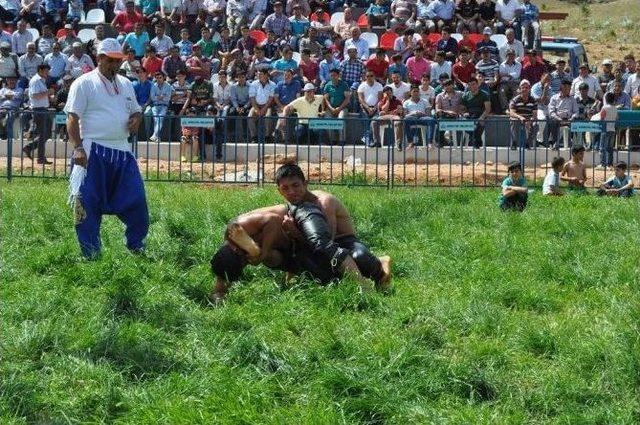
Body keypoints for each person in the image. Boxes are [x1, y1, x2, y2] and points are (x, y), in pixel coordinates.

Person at [64, 38, 146, 258]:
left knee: (136, 200)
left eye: (118, 61)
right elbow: (72, 118)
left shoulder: (126, 83)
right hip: (92, 151)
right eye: (110, 61)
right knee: (87, 203)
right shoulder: (83, 83)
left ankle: (136, 246)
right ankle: (90, 253)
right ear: (99, 58)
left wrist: (137, 118)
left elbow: (136, 110)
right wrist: (78, 148)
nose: (115, 65)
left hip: (122, 151)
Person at [275, 163, 392, 292]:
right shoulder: (292, 206)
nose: (291, 192)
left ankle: (380, 267)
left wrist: (295, 232)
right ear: (279, 191)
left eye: (295, 185)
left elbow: (327, 241)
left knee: (360, 257)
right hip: (318, 246)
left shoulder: (324, 202)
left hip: (344, 242)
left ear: (305, 183)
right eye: (285, 188)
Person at [209, 204, 296, 303]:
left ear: (238, 252)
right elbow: (226, 273)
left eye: (243, 263)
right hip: (284, 245)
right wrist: (218, 295)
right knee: (271, 258)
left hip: (293, 217)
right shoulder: (228, 255)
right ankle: (290, 273)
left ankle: (292, 274)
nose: (246, 263)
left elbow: (273, 219)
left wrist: (263, 253)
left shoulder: (238, 226)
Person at [22, 64, 52, 165]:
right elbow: (35, 96)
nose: (48, 73)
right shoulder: (36, 80)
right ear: (40, 70)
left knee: (47, 134)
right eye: (46, 71)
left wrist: (48, 96)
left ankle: (29, 147)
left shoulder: (41, 80)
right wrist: (48, 92)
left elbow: (39, 95)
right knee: (44, 134)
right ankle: (40, 158)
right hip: (39, 110)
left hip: (43, 109)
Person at [460, 76, 491, 148]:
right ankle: (477, 140)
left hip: (480, 114)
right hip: (469, 116)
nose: (471, 86)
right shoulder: (465, 95)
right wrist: (464, 113)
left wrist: (482, 117)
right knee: (462, 122)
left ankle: (474, 140)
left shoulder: (484, 94)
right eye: (469, 84)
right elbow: (461, 109)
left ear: (477, 84)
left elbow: (488, 109)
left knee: (479, 124)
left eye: (473, 84)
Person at [547, 80, 578, 150]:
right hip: (558, 119)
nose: (569, 90)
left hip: (569, 119)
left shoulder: (573, 99)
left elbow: (576, 112)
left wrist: (572, 118)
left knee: (575, 122)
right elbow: (551, 112)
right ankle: (554, 142)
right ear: (562, 88)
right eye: (567, 88)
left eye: (570, 89)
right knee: (553, 121)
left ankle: (573, 143)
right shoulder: (554, 98)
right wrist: (559, 119)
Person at [508, 79, 537, 150]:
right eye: (523, 87)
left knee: (534, 124)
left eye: (526, 87)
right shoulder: (515, 100)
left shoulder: (533, 100)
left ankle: (528, 143)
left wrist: (530, 120)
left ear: (529, 89)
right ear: (520, 89)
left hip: (528, 119)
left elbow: (534, 114)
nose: (524, 89)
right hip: (517, 118)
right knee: (513, 121)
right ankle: (514, 143)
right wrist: (520, 117)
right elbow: (512, 113)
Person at [403, 84, 435, 148]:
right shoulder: (406, 102)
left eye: (417, 91)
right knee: (405, 120)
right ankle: (410, 142)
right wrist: (412, 113)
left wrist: (422, 114)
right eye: (414, 91)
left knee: (431, 120)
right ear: (410, 93)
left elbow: (429, 114)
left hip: (422, 117)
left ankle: (429, 142)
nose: (416, 93)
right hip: (411, 118)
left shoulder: (425, 101)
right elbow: (405, 115)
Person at [358, 71, 383, 147]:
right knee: (366, 122)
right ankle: (368, 140)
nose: (369, 77)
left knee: (373, 122)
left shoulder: (379, 85)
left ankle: (371, 140)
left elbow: (380, 99)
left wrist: (374, 108)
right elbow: (361, 99)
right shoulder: (362, 86)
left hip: (376, 108)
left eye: (371, 76)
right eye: (367, 76)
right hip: (365, 108)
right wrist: (368, 108)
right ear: (365, 77)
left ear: (374, 76)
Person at [597, 92, 619, 169]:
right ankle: (609, 164)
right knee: (610, 148)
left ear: (606, 99)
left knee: (602, 147)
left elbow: (601, 119)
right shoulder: (615, 108)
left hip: (605, 130)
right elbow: (617, 119)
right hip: (612, 130)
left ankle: (603, 164)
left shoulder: (604, 108)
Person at [149, 71, 172, 142]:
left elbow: (167, 98)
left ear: (163, 77)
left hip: (164, 106)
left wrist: (158, 97)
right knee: (156, 119)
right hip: (155, 106)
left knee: (159, 119)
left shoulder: (168, 86)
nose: (159, 79)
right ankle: (157, 137)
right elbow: (152, 98)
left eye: (160, 77)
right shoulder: (154, 85)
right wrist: (162, 96)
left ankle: (154, 135)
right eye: (157, 78)